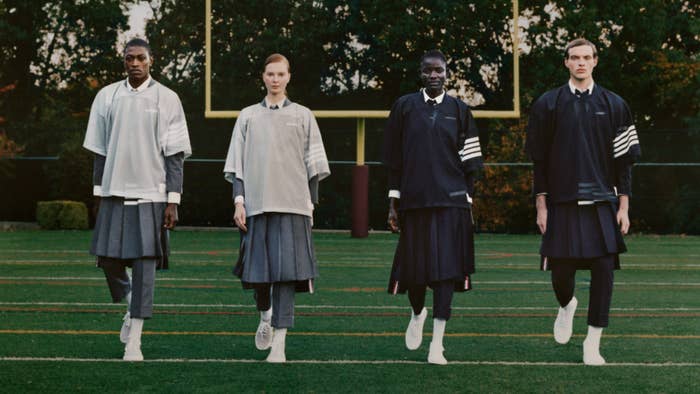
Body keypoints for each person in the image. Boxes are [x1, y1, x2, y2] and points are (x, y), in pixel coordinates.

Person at [525, 38, 640, 365]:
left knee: (604, 271)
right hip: (561, 203)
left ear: (595, 61)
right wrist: (541, 205)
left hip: (603, 202)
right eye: (574, 57)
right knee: (561, 274)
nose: (580, 63)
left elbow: (624, 163)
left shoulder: (615, 104)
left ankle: (592, 343)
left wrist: (624, 206)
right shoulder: (547, 104)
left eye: (586, 57)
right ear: (566, 62)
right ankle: (566, 306)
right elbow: (539, 162)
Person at [83, 38, 191, 361]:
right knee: (108, 260)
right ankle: (130, 303)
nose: (134, 63)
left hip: (152, 194)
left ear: (151, 61)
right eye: (129, 58)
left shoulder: (168, 98)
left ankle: (135, 343)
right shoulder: (107, 96)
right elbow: (99, 152)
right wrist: (98, 194)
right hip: (114, 191)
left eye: (140, 58)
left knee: (145, 267)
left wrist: (173, 200)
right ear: (123, 61)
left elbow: (175, 156)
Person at [223, 53, 330, 363]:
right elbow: (237, 166)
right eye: (270, 74)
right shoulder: (247, 116)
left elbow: (314, 166)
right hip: (256, 207)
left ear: (288, 77)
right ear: (263, 76)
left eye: (280, 74)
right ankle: (265, 315)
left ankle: (280, 346)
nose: (275, 79)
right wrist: (239, 201)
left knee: (285, 277)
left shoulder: (304, 115)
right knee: (259, 276)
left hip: (294, 206)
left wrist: (310, 204)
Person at [383, 49, 483, 365]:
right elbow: (394, 161)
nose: (434, 75)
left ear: (447, 72)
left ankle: (437, 344)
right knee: (415, 275)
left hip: (451, 204)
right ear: (420, 73)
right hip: (414, 203)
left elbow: (471, 164)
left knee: (445, 274)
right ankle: (417, 312)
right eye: (428, 71)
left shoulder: (461, 110)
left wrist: (467, 201)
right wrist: (393, 204)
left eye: (439, 70)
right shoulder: (404, 107)